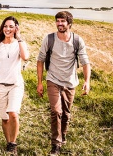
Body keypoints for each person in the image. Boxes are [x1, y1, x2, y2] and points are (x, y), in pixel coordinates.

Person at [36, 11, 91, 156]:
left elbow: (85, 63)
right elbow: (40, 60)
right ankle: (56, 144)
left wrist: (87, 81)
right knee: (56, 111)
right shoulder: (49, 39)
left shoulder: (77, 41)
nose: (59, 24)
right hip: (53, 79)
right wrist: (40, 83)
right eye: (58, 21)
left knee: (66, 113)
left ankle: (63, 135)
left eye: (63, 21)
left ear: (69, 24)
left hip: (70, 82)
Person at [0, 16, 30, 155]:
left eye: (11, 26)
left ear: (16, 28)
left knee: (13, 113)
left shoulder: (19, 43)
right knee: (4, 118)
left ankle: (13, 143)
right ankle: (8, 141)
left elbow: (25, 57)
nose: (8, 29)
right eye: (5, 26)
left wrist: (20, 37)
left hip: (15, 84)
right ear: (2, 27)